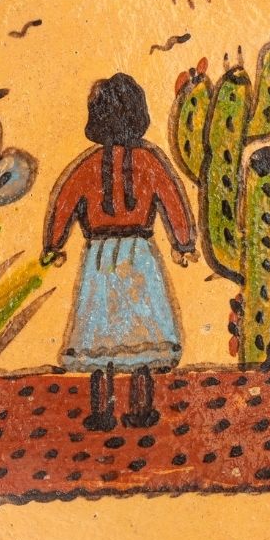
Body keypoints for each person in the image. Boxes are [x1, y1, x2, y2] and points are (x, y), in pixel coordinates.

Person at [42, 73, 197, 430]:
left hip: (99, 259)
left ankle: (102, 412)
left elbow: (65, 202)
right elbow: (171, 198)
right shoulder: (149, 161)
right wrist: (183, 243)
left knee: (100, 337)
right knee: (142, 333)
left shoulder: (88, 165)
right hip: (139, 256)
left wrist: (54, 244)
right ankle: (141, 410)